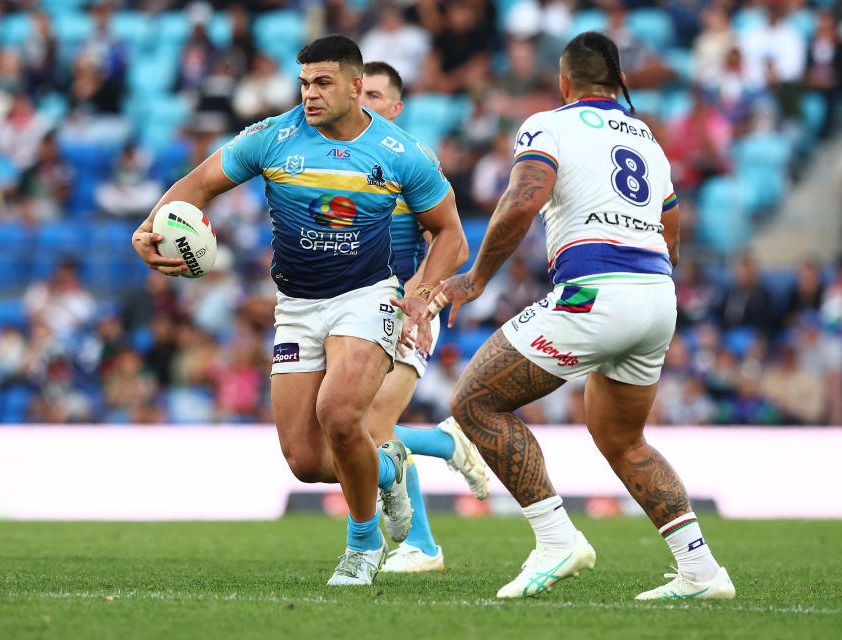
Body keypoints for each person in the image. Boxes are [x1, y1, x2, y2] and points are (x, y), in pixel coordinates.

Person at [131, 36, 465, 585]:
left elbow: (449, 233)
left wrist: (422, 293)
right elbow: (197, 186)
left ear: (357, 87)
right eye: (305, 82)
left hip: (368, 297)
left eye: (323, 82)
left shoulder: (401, 153)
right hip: (296, 305)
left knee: (339, 413)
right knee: (308, 463)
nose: (310, 94)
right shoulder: (272, 137)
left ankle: (361, 546)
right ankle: (389, 465)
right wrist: (150, 225)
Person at [428, 31, 734, 600]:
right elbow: (671, 224)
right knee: (624, 439)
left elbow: (522, 201)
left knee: (474, 401)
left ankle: (556, 540)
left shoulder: (550, 123)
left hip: (596, 291)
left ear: (563, 82)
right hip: (655, 296)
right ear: (618, 82)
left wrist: (475, 279)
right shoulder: (646, 137)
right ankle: (702, 571)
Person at [358, 60, 488, 574]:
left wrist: (423, 298)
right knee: (351, 428)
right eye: (358, 92)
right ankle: (444, 444)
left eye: (374, 94)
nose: (363, 101)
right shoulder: (335, 160)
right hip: (347, 315)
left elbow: (450, 243)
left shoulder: (412, 159)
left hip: (402, 310)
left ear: (396, 108)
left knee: (370, 425)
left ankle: (418, 545)